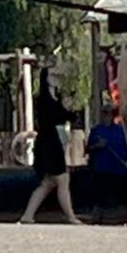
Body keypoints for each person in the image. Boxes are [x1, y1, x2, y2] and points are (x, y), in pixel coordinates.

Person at [22, 66, 80, 225]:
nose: (57, 78)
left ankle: (28, 215)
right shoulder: (44, 99)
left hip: (53, 140)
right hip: (49, 142)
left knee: (48, 183)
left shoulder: (55, 98)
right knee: (62, 179)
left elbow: (66, 116)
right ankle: (70, 216)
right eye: (53, 75)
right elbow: (57, 116)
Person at [84, 101, 127, 220]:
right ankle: (98, 213)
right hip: (101, 168)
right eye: (103, 113)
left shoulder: (121, 131)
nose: (104, 116)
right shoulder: (97, 130)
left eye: (107, 113)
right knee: (101, 193)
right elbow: (87, 149)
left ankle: (120, 213)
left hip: (119, 169)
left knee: (118, 193)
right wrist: (98, 146)